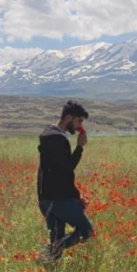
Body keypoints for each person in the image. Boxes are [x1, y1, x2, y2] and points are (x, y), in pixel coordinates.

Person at [37, 100, 93, 262]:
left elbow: (57, 170)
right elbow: (67, 169)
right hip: (59, 197)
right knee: (86, 230)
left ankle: (49, 267)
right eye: (79, 121)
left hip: (45, 197)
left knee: (57, 236)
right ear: (69, 118)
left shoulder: (48, 135)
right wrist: (80, 147)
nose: (79, 126)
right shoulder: (58, 139)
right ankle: (44, 254)